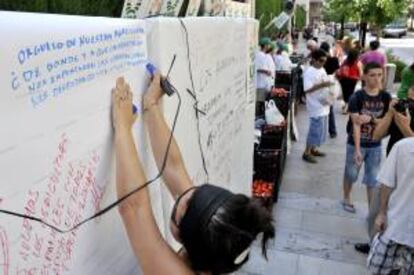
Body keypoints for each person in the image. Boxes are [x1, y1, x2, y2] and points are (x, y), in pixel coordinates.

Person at [112, 75, 275, 275]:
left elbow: (134, 208)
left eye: (184, 209)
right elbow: (173, 167)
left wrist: (122, 126)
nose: (185, 194)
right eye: (195, 194)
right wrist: (152, 105)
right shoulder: (209, 243)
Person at [354, 86, 414, 255]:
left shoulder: (404, 120)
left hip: (410, 177)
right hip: (391, 169)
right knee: (376, 211)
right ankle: (374, 242)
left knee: (399, 214)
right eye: (409, 98)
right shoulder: (401, 112)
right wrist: (389, 114)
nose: (409, 101)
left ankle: (393, 248)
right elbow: (376, 135)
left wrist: (405, 127)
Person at [341, 62, 391, 214]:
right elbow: (356, 124)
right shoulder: (356, 97)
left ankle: (372, 210)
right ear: (364, 77)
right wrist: (357, 150)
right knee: (351, 174)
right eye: (372, 75)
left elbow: (386, 122)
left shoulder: (386, 97)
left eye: (380, 75)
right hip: (356, 143)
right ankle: (346, 196)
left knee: (373, 179)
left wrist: (370, 119)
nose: (377, 79)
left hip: (376, 145)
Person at [367, 137, 414, 275]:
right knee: (378, 268)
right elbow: (386, 183)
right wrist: (381, 213)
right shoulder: (402, 147)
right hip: (396, 224)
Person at [302, 49, 333, 163]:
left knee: (321, 130)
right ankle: (306, 152)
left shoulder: (322, 69)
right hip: (315, 105)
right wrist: (322, 84)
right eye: (321, 61)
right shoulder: (309, 72)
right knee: (314, 129)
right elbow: (307, 89)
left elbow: (324, 81)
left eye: (325, 61)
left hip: (323, 103)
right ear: (314, 60)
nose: (323, 63)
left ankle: (314, 148)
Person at [320, 42, 340, 138]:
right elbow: (338, 71)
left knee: (321, 109)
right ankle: (332, 131)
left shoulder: (320, 60)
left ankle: (322, 130)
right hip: (332, 86)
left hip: (322, 85)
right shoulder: (334, 60)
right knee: (330, 108)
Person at [336, 49, 362, 114]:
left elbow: (340, 69)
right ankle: (346, 108)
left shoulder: (345, 61)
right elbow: (360, 72)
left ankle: (346, 105)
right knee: (350, 93)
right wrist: (359, 78)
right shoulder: (358, 62)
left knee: (345, 93)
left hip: (343, 80)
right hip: (353, 80)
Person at [256, 37, 275, 115]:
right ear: (265, 46)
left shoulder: (263, 55)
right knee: (260, 102)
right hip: (261, 82)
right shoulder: (260, 55)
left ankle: (260, 115)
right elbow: (257, 68)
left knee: (263, 102)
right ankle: (258, 116)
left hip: (264, 82)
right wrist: (266, 71)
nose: (269, 47)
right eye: (268, 45)